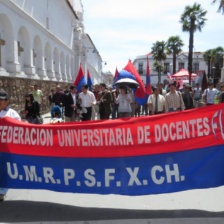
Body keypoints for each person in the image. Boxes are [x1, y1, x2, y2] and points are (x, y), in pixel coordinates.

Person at [0, 89, 21, 201]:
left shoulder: (12, 114)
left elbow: (20, 129)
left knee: (3, 169)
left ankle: (2, 192)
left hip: (6, 149)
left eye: (1, 100)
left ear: (7, 101)